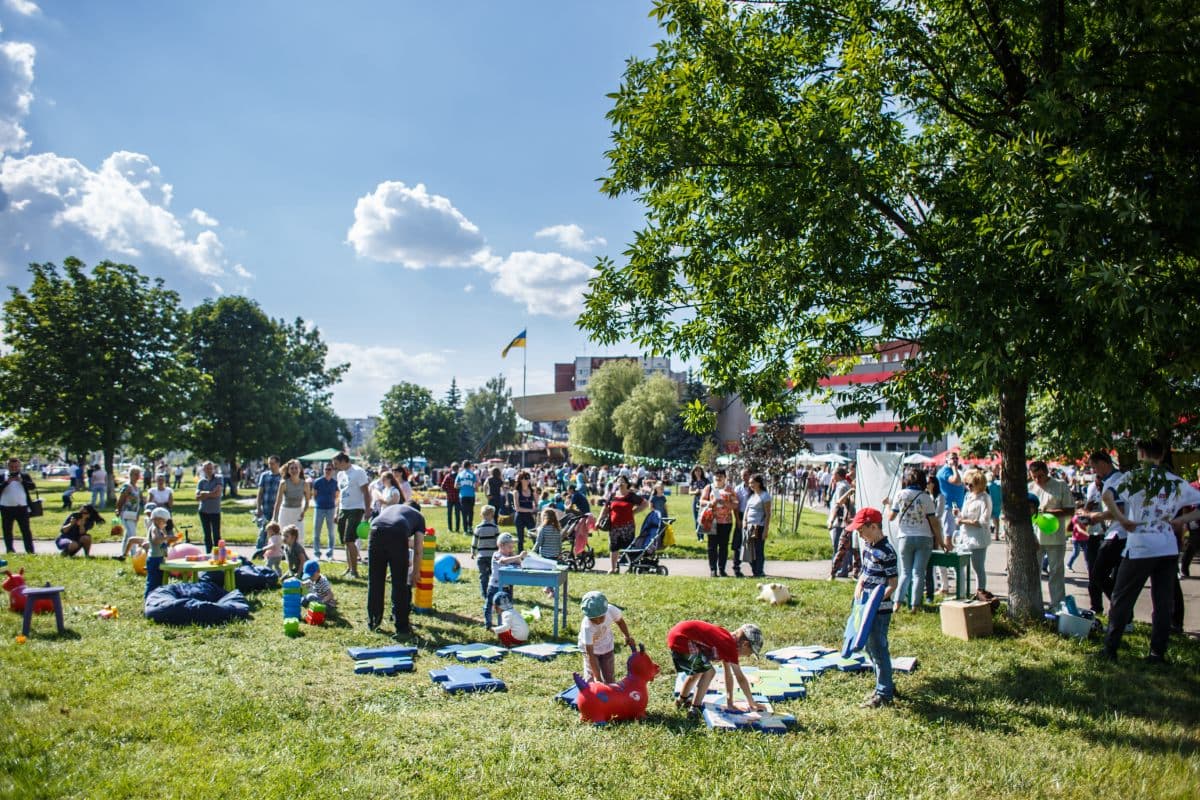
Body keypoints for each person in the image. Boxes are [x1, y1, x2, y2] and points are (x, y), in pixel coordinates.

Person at [1100, 439, 1200, 663]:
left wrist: (1122, 519)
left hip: (1140, 546)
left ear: (1141, 454)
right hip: (1166, 547)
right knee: (1163, 601)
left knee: (1122, 597)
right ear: (1162, 454)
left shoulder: (1135, 477)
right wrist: (1181, 519)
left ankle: (1110, 648)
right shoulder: (1173, 480)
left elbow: (1108, 495)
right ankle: (1157, 652)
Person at [846, 507, 899, 708]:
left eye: (861, 529)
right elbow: (865, 573)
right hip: (863, 607)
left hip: (879, 610)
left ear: (874, 526)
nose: (859, 534)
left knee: (879, 648)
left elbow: (892, 583)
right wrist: (860, 584)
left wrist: (875, 601)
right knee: (870, 648)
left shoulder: (887, 551)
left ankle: (885, 694)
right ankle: (884, 684)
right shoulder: (868, 546)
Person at [667, 620, 764, 715]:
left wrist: (729, 703)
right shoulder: (730, 647)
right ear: (745, 644)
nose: (748, 656)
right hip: (683, 639)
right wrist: (752, 702)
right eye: (750, 652)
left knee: (699, 671)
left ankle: (681, 700)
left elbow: (728, 675)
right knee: (709, 672)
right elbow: (740, 678)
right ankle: (695, 708)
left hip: (677, 635)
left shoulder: (726, 641)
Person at [366, 501, 426, 635]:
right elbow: (418, 549)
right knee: (399, 582)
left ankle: (373, 621)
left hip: (375, 529)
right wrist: (416, 573)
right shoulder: (419, 517)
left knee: (375, 580)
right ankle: (402, 626)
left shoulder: (392, 508)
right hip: (397, 532)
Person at [887, 467, 942, 609]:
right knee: (918, 573)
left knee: (905, 572)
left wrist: (888, 504)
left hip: (905, 537)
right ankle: (915, 606)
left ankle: (897, 604)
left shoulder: (900, 495)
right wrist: (941, 541)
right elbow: (933, 522)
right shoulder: (926, 497)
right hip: (924, 537)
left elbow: (891, 517)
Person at [1028, 460, 1073, 609]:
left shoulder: (1060, 485)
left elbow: (1070, 510)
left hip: (1056, 536)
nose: (1037, 480)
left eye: (1040, 476)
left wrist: (1050, 512)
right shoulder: (1030, 488)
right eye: (1034, 476)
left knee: (1056, 572)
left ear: (1046, 472)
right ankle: (1035, 603)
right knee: (1034, 572)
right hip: (1036, 537)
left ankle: (1057, 604)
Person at [1086, 451, 1126, 614]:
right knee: (1114, 578)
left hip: (1118, 534)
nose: (1094, 471)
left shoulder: (1114, 481)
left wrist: (1096, 516)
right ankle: (1122, 613)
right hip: (1118, 533)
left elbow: (1120, 510)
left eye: (1094, 466)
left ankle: (1123, 611)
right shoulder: (1117, 479)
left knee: (1098, 574)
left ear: (1103, 463)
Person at [333, 452, 370, 579]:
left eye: (337, 464)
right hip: (344, 509)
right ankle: (349, 568)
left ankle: (355, 570)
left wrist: (368, 509)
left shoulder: (358, 472)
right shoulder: (340, 474)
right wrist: (337, 512)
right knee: (345, 540)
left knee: (349, 539)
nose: (335, 467)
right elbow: (341, 494)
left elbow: (366, 492)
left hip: (356, 508)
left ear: (344, 461)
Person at [954, 469, 993, 592]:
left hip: (978, 539)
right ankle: (961, 592)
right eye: (966, 484)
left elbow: (983, 521)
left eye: (971, 485)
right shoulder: (968, 496)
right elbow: (965, 516)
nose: (968, 487)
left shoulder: (985, 498)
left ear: (979, 484)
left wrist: (963, 521)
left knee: (978, 568)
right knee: (959, 566)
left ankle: (980, 592)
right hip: (965, 537)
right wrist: (958, 514)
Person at [606, 476, 649, 574]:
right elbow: (605, 508)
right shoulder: (612, 495)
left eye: (622, 481)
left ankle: (630, 567)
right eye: (618, 481)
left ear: (626, 484)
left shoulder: (631, 496)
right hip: (614, 526)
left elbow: (645, 504)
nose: (620, 483)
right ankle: (613, 568)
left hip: (627, 526)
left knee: (628, 547)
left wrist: (633, 512)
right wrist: (599, 520)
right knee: (613, 547)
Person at [700, 469, 738, 577]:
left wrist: (725, 503)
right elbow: (702, 501)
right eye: (717, 475)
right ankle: (713, 569)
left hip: (726, 522)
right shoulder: (709, 487)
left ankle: (722, 569)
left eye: (721, 476)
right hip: (711, 520)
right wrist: (711, 503)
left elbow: (735, 504)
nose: (718, 478)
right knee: (712, 546)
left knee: (723, 546)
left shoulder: (730, 489)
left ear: (725, 477)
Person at [485, 533, 527, 629]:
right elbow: (503, 561)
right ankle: (488, 624)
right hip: (494, 586)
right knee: (489, 605)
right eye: (509, 547)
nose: (511, 549)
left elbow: (519, 563)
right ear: (501, 545)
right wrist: (518, 557)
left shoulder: (510, 556)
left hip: (507, 587)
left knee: (507, 607)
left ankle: (506, 624)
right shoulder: (497, 555)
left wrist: (521, 558)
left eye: (512, 547)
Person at [1, 457, 39, 554]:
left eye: (16, 466)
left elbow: (32, 487)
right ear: (7, 466)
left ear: (19, 466)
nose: (14, 468)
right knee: (7, 530)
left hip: (22, 507)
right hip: (6, 507)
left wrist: (22, 481)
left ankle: (30, 551)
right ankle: (10, 550)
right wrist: (6, 482)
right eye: (11, 466)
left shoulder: (24, 476)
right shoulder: (2, 476)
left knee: (26, 530)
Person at [472, 505, 501, 612]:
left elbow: (474, 541)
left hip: (481, 556)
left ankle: (485, 593)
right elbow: (499, 542)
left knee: (483, 576)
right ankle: (493, 592)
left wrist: (473, 552)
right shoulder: (495, 528)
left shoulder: (478, 528)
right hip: (493, 556)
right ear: (492, 515)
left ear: (481, 515)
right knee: (493, 575)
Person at [743, 473, 772, 578]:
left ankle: (759, 571)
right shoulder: (752, 495)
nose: (750, 485)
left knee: (758, 550)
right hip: (748, 527)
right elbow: (747, 509)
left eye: (752, 482)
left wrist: (765, 529)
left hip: (758, 527)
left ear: (759, 483)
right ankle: (754, 570)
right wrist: (744, 521)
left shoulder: (765, 496)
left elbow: (768, 514)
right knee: (749, 550)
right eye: (749, 483)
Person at [936, 451, 966, 550]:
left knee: (957, 536)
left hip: (957, 507)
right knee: (949, 535)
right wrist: (954, 467)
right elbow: (956, 481)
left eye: (956, 458)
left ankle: (952, 558)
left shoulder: (955, 471)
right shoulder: (945, 471)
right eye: (952, 458)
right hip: (949, 507)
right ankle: (947, 559)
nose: (955, 460)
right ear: (946, 460)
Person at [273, 458, 310, 533]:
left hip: (298, 512)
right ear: (288, 471)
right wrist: (274, 518)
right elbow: (278, 502)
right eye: (292, 468)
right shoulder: (283, 483)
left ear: (300, 469)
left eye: (296, 468)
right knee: (284, 536)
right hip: (285, 512)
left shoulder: (305, 484)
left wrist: (303, 511)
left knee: (299, 537)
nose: (294, 470)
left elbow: (307, 502)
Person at [310, 464, 338, 560]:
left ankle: (330, 554)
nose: (327, 471)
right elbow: (314, 495)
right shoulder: (317, 481)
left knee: (331, 532)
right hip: (319, 509)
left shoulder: (335, 483)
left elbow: (337, 495)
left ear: (333, 470)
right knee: (317, 532)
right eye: (326, 469)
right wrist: (318, 502)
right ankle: (317, 553)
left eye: (329, 469)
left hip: (331, 509)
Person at [254, 456, 282, 551]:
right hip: (265, 508)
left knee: (278, 531)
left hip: (278, 509)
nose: (270, 466)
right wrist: (258, 508)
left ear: (278, 464)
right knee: (263, 531)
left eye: (272, 463)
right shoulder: (264, 475)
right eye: (269, 463)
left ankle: (278, 552)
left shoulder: (283, 477)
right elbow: (260, 492)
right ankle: (259, 551)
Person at [144, 506, 173, 598]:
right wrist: (166, 537)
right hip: (154, 559)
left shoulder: (160, 529)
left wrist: (169, 541)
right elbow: (156, 540)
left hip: (159, 558)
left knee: (160, 580)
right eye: (164, 521)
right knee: (153, 581)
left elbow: (162, 544)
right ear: (156, 519)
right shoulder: (154, 529)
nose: (165, 524)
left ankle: (157, 598)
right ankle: (148, 599)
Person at [115, 466, 144, 554]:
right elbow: (121, 499)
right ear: (130, 475)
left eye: (138, 474)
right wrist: (118, 509)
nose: (137, 476)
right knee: (132, 533)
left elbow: (139, 502)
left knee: (128, 534)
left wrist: (138, 514)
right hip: (126, 513)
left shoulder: (137, 488)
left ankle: (123, 553)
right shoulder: (127, 486)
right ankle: (134, 554)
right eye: (135, 474)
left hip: (134, 514)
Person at [195, 461, 223, 552]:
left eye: (211, 468)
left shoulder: (218, 478)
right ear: (203, 469)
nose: (209, 470)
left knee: (216, 534)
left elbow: (217, 493)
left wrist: (205, 494)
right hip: (203, 511)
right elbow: (197, 497)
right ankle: (208, 552)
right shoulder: (201, 481)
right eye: (207, 468)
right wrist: (211, 493)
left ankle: (217, 553)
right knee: (207, 534)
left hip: (215, 511)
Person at [513, 471, 538, 553]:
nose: (528, 480)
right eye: (526, 478)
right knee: (520, 539)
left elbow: (537, 505)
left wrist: (535, 506)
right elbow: (517, 508)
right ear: (520, 480)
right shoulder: (516, 492)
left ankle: (537, 552)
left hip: (529, 517)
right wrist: (531, 510)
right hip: (519, 517)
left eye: (528, 478)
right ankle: (520, 555)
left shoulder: (532, 491)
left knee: (535, 536)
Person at [1068, 501, 1090, 572]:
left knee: (1087, 555)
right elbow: (1079, 529)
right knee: (1076, 553)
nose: (1084, 510)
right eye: (1083, 508)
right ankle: (1069, 565)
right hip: (1077, 539)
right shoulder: (1075, 518)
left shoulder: (1085, 517)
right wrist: (1088, 535)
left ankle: (1089, 570)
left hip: (1085, 539)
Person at [456, 460, 479, 531]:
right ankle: (470, 527)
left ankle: (465, 529)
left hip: (463, 495)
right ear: (469, 466)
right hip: (471, 495)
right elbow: (476, 486)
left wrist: (462, 486)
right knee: (471, 512)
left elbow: (456, 486)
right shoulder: (473, 474)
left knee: (464, 513)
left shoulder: (460, 474)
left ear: (463, 466)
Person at [688, 466, 709, 540]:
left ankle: (702, 536)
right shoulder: (692, 481)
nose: (698, 472)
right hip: (696, 501)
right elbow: (689, 492)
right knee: (696, 519)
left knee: (703, 519)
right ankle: (699, 537)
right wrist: (695, 492)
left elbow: (710, 490)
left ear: (701, 472)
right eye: (696, 471)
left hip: (704, 502)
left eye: (699, 471)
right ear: (694, 472)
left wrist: (704, 491)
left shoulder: (706, 480)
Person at [440, 462, 461, 534]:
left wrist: (447, 491)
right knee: (457, 514)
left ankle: (450, 528)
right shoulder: (459, 476)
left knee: (449, 514)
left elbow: (442, 486)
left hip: (450, 497)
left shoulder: (448, 476)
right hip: (458, 497)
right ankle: (457, 529)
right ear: (458, 468)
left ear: (451, 468)